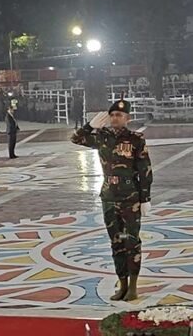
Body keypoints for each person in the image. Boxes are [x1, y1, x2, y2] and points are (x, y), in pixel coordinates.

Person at [70, 98, 152, 301]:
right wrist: (90, 126)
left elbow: (145, 170)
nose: (115, 118)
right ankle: (122, 284)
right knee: (116, 242)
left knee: (131, 242)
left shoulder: (135, 139)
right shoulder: (102, 137)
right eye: (113, 115)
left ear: (127, 118)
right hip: (108, 196)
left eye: (119, 115)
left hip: (130, 196)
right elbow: (75, 138)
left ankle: (133, 286)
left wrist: (145, 198)